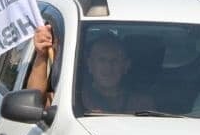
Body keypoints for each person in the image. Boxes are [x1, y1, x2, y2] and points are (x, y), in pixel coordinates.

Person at [26, 26, 154, 114]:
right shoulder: (71, 99)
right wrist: (41, 55)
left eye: (114, 61)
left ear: (125, 66)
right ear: (90, 64)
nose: (108, 67)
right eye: (102, 60)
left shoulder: (141, 104)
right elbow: (31, 104)